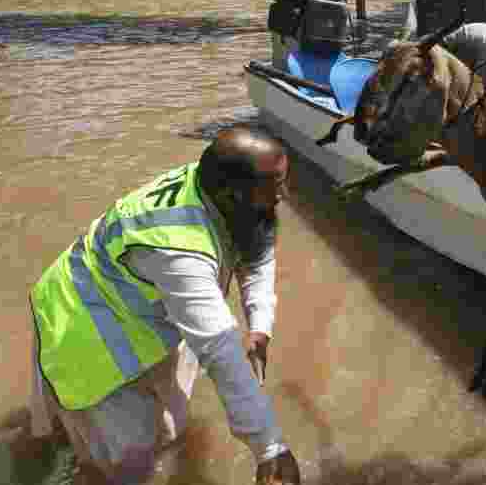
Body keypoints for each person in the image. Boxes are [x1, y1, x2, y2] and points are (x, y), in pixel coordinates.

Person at [27, 127, 301, 485]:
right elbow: (219, 348)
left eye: (283, 181)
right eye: (273, 188)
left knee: (169, 428)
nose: (284, 195)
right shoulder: (179, 250)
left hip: (135, 301)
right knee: (127, 462)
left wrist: (260, 326)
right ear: (232, 195)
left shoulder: (220, 185)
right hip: (80, 325)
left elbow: (257, 249)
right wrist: (270, 449)